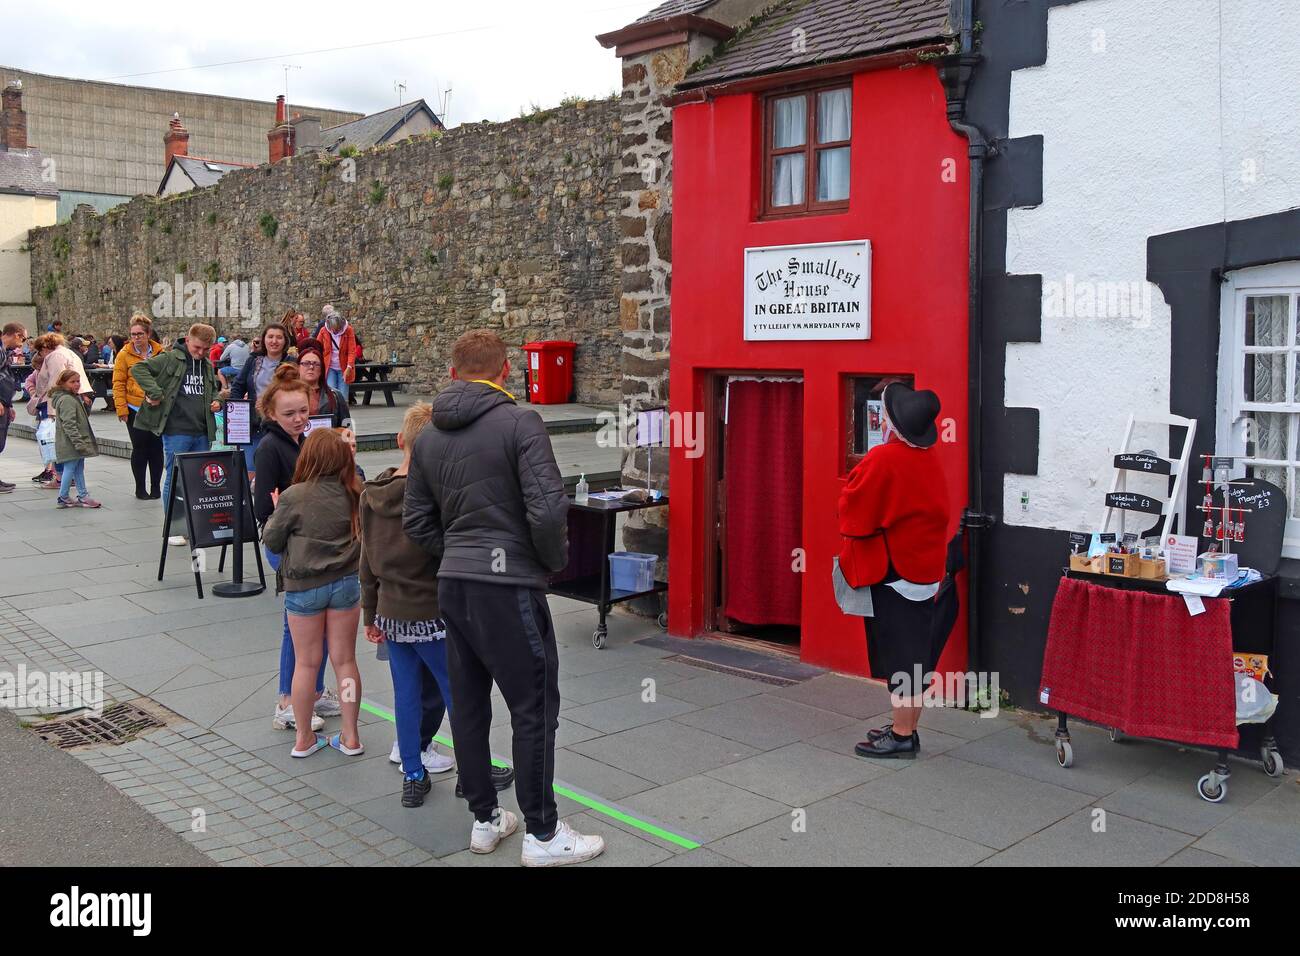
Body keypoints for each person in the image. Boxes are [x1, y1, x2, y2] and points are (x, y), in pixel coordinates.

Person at [404, 329, 603, 866]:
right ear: (506, 370)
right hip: (508, 585)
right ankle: (543, 833)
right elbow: (549, 509)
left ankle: (486, 819)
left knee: (468, 705)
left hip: (456, 584)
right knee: (533, 708)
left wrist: (459, 553)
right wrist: (549, 563)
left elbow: (415, 520)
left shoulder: (428, 436)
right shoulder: (520, 422)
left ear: (452, 372)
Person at [838, 382, 955, 760]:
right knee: (914, 653)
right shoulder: (929, 457)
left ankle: (902, 736)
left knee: (902, 658)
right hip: (925, 570)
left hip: (895, 571)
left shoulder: (885, 458)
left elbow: (853, 513)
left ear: (892, 422)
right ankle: (908, 729)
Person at [262, 428, 364, 759]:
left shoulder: (295, 495)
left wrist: (277, 510)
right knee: (345, 661)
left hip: (304, 587)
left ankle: (304, 737)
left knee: (306, 663)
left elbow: (272, 540)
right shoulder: (355, 492)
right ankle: (351, 736)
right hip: (346, 583)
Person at [254, 364, 336, 733]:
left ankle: (313, 691)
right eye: (289, 414)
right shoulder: (270, 447)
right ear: (272, 413)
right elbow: (263, 508)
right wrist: (290, 506)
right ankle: (287, 701)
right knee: (297, 625)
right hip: (287, 545)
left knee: (324, 623)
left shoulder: (304, 441)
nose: (299, 419)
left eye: (303, 411)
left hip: (311, 540)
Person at [130, 323, 221, 547]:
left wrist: (217, 400)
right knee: (175, 477)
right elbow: (138, 369)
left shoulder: (206, 364)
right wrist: (154, 392)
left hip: (202, 430)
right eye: (197, 347)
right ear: (188, 340)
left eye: (206, 349)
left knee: (198, 480)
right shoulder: (170, 358)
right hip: (177, 430)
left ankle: (192, 525)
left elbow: (212, 389)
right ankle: (173, 526)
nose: (200, 353)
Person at [113, 315, 166, 500]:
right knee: (140, 447)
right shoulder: (124, 355)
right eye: (133, 334)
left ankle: (156, 487)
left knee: (157, 448)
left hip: (157, 408)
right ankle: (140, 488)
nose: (136, 337)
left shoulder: (160, 353)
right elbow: (118, 383)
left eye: (140, 334)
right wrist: (121, 409)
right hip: (134, 407)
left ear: (148, 334)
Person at [230, 321, 290, 468]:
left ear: (285, 341)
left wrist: (270, 402)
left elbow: (295, 392)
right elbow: (238, 386)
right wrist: (239, 411)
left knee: (277, 470)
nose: (274, 341)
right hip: (254, 426)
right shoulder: (253, 360)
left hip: (281, 427)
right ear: (264, 339)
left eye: (279, 337)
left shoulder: (291, 363)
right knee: (250, 469)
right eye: (270, 337)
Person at [49, 368, 101, 509]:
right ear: (63, 383)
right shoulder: (67, 400)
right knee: (70, 468)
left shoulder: (71, 397)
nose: (77, 384)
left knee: (77, 468)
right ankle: (64, 496)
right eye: (72, 382)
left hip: (74, 441)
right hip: (72, 442)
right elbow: (69, 424)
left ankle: (82, 495)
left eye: (78, 381)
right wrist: (78, 443)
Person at [294, 342, 350, 428]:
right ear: (298, 367)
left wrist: (339, 432)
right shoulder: (287, 395)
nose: (311, 367)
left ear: (321, 369)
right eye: (306, 363)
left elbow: (346, 424)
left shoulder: (335, 395)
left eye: (316, 364)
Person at [0, 322, 28, 493]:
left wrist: (8, 404)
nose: (22, 343)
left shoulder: (4, 351)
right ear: (16, 335)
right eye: (23, 339)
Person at [317, 306, 357, 403]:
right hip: (330, 367)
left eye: (337, 329)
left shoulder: (348, 330)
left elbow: (352, 351)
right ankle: (333, 412)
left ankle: (343, 412)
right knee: (331, 396)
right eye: (333, 329)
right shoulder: (323, 331)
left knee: (343, 397)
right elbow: (317, 346)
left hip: (344, 368)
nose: (335, 331)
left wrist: (349, 367)